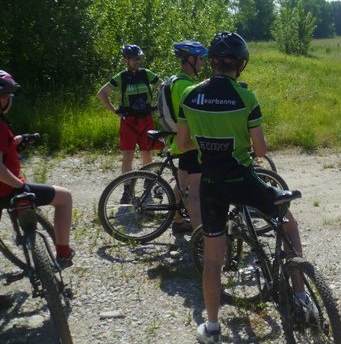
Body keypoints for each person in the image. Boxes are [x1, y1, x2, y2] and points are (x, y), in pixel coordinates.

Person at [176, 32, 310, 344]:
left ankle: (211, 327)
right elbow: (260, 150)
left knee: (213, 260)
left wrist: (207, 140)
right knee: (288, 223)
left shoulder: (191, 96)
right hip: (243, 180)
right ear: (241, 64)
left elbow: (182, 143)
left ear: (211, 62)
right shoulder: (246, 98)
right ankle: (301, 295)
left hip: (211, 184)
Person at [0, 70, 74, 268]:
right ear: (4, 97)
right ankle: (64, 253)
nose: (9, 99)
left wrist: (19, 140)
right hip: (7, 189)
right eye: (8, 95)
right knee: (64, 197)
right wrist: (19, 186)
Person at [97, 44, 161, 203]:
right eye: (133, 59)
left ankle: (148, 183)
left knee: (147, 152)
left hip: (146, 119)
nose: (137, 61)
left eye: (138, 58)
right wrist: (114, 110)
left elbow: (165, 87)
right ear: (126, 60)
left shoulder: (147, 74)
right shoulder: (122, 77)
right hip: (129, 121)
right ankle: (127, 190)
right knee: (128, 156)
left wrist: (159, 105)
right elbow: (102, 93)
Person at [167, 41, 208, 234]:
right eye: (200, 59)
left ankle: (177, 220)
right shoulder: (185, 86)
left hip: (181, 142)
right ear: (190, 59)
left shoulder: (177, 81)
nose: (202, 63)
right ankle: (199, 230)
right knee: (195, 190)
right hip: (190, 143)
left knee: (182, 184)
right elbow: (191, 117)